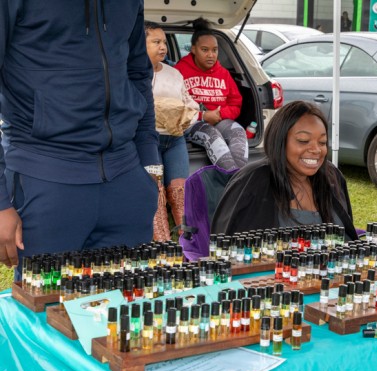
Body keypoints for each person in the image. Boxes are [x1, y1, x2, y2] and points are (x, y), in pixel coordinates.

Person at [0, 1, 160, 276]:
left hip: (126, 179)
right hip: (45, 176)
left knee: (126, 299)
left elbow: (137, 72)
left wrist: (149, 163)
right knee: (48, 300)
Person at [212, 101, 358, 241]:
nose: (316, 150)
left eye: (322, 142)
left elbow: (348, 236)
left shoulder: (332, 176)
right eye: (303, 140)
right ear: (280, 140)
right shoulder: (252, 182)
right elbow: (227, 247)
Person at [145, 21, 199, 241]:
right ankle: (163, 246)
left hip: (175, 139)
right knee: (155, 193)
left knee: (180, 193)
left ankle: (190, 246)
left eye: (164, 42)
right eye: (156, 42)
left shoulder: (174, 73)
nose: (163, 47)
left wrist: (190, 116)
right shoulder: (133, 75)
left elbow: (189, 102)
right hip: (148, 141)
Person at [175, 18, 248, 171]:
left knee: (239, 132)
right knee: (212, 135)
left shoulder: (224, 74)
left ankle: (238, 178)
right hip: (192, 123)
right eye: (205, 50)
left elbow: (235, 103)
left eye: (214, 50)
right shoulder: (179, 71)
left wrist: (220, 114)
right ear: (193, 49)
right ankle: (235, 180)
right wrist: (203, 116)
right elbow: (174, 109)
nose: (211, 55)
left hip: (220, 120)